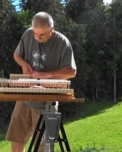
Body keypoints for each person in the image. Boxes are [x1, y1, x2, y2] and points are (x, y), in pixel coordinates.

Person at [5, 12, 77, 152]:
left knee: (44, 148)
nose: (37, 38)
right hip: (24, 97)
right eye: (35, 34)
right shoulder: (28, 34)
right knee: (17, 141)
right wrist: (23, 64)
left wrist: (47, 75)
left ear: (52, 29)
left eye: (42, 35)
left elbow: (72, 72)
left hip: (49, 102)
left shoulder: (63, 43)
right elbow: (16, 54)